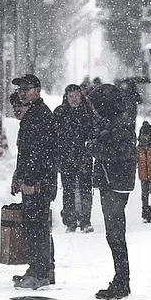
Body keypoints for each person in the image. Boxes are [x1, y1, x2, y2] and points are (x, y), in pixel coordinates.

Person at [85, 83, 138, 300]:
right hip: (112, 183)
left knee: (116, 235)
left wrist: (94, 147)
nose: (94, 110)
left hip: (115, 185)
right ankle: (120, 279)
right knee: (114, 235)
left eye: (97, 105)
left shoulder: (119, 125)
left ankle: (121, 281)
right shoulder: (114, 122)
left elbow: (120, 154)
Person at [10, 74, 58, 290]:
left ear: (37, 90)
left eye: (26, 89)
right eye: (20, 89)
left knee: (37, 227)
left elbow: (40, 154)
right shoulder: (32, 115)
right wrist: (19, 176)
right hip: (33, 181)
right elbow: (26, 153)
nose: (22, 92)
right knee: (34, 226)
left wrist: (31, 180)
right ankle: (36, 269)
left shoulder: (41, 116)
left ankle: (40, 273)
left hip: (39, 183)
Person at [54, 83, 97, 233]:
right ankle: (70, 221)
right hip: (66, 157)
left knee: (86, 189)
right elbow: (54, 136)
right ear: (66, 97)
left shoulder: (88, 112)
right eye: (71, 96)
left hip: (84, 156)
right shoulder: (60, 113)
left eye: (77, 95)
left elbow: (95, 132)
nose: (74, 99)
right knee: (68, 190)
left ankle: (85, 220)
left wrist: (90, 146)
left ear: (81, 96)